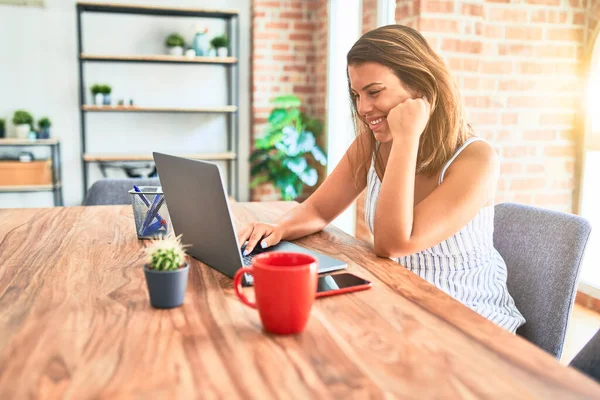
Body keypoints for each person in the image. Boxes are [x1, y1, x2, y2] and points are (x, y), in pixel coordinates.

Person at [238, 25, 525, 333]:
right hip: (401, 302)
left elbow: (393, 244)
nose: (362, 108)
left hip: (468, 317)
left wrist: (406, 138)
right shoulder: (372, 144)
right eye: (356, 95)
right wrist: (277, 229)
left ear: (421, 87)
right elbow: (319, 210)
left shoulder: (476, 160)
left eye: (374, 92)